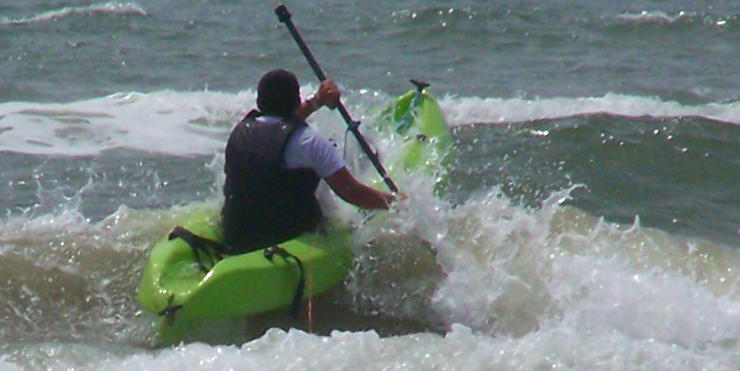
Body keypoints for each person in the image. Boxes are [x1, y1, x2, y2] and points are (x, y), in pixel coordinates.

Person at [221, 69, 396, 253]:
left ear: (259, 102)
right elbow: (351, 193)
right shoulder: (310, 141)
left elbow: (280, 128)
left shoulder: (241, 131)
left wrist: (317, 101)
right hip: (285, 237)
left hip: (237, 233)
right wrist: (395, 203)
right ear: (296, 101)